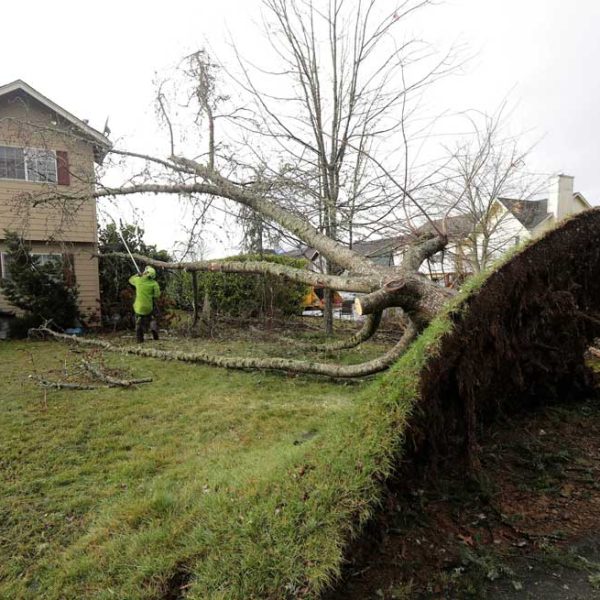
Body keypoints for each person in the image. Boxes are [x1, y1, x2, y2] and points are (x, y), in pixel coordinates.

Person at [129, 266, 161, 343]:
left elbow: (130, 280)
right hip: (148, 307)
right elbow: (157, 295)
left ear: (145, 273)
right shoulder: (154, 283)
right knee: (152, 317)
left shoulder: (138, 280)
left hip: (138, 308)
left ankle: (139, 339)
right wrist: (151, 295)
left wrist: (137, 275)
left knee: (138, 322)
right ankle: (153, 329)